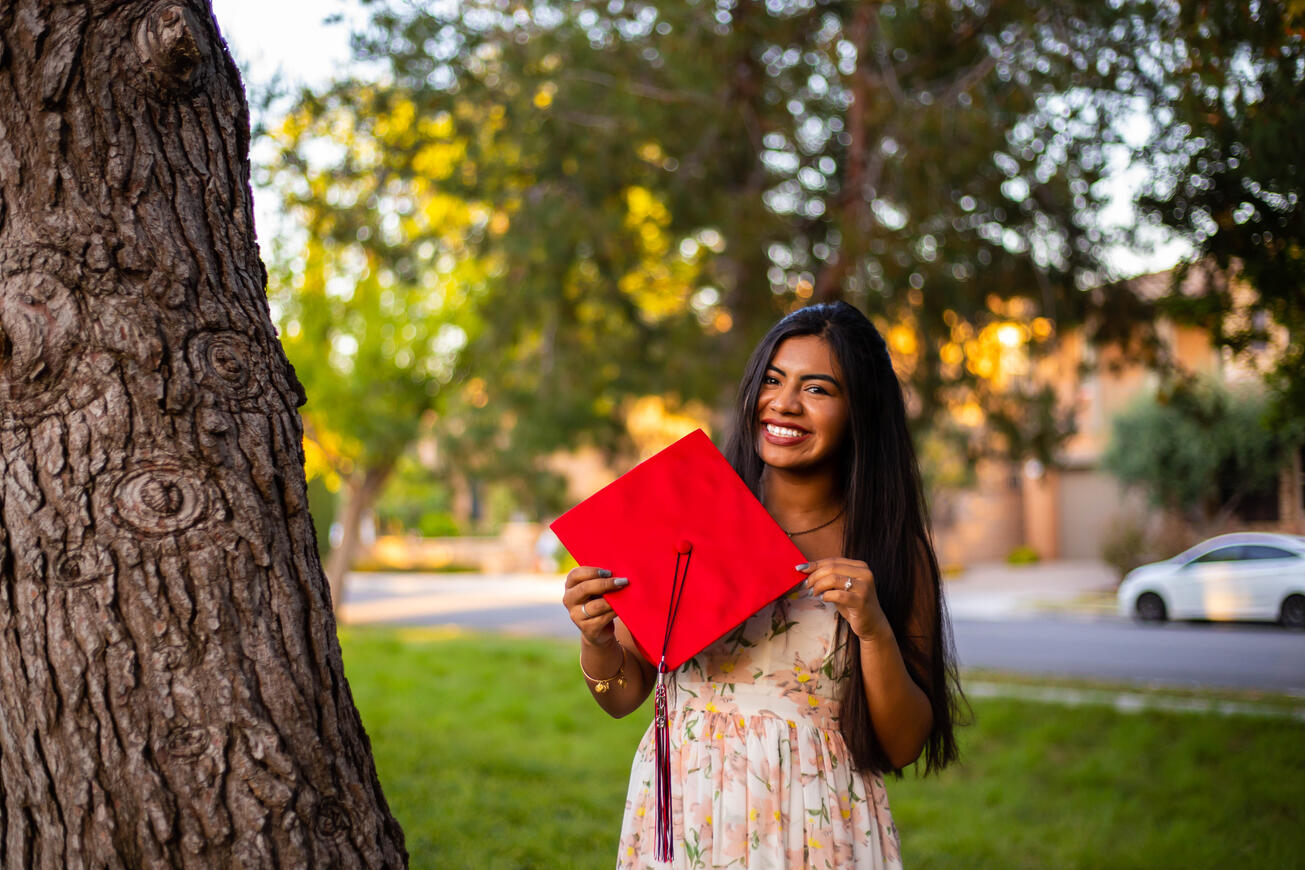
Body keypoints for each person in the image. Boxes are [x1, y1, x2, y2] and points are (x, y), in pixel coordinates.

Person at [563, 301, 963, 868]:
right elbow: (622, 697)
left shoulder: (890, 549)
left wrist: (873, 629)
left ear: (861, 410)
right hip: (688, 816)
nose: (784, 403)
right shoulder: (691, 518)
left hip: (817, 824)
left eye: (817, 388)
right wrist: (597, 640)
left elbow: (903, 745)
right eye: (773, 380)